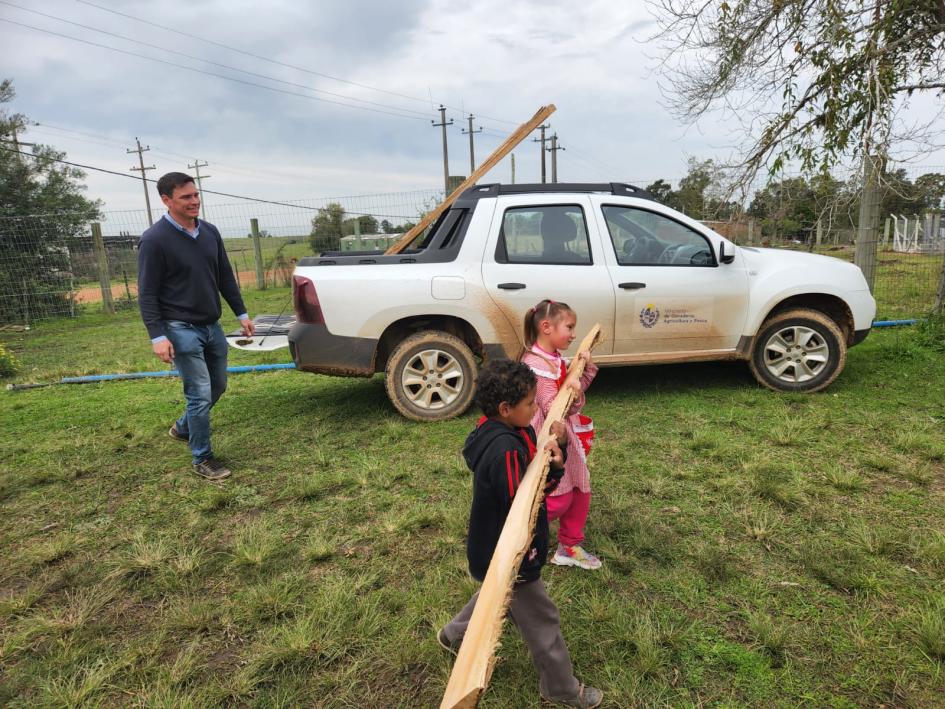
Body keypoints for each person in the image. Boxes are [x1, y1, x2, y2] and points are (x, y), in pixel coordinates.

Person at [437, 360, 603, 708]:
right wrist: (557, 464)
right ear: (505, 409)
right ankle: (560, 687)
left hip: (488, 549)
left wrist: (549, 442)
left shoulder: (498, 430)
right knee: (543, 619)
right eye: (530, 404)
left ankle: (454, 635)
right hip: (511, 552)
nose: (535, 409)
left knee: (497, 596)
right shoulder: (506, 451)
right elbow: (525, 504)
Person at [137, 172, 254, 481]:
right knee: (199, 393)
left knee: (219, 386)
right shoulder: (154, 240)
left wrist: (241, 314)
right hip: (179, 327)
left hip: (210, 324)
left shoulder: (210, 232)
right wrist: (157, 336)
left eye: (195, 194)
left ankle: (183, 427)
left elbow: (225, 277)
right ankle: (202, 457)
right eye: (185, 197)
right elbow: (147, 293)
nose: (194, 201)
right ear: (166, 200)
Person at [521, 299, 601, 570]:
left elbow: (570, 395)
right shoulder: (536, 365)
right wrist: (574, 394)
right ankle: (522, 529)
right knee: (558, 497)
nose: (573, 334)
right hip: (550, 440)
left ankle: (569, 546)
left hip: (565, 435)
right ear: (546, 327)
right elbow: (554, 407)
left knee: (580, 488)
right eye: (569, 327)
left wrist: (584, 370)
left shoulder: (552, 357)